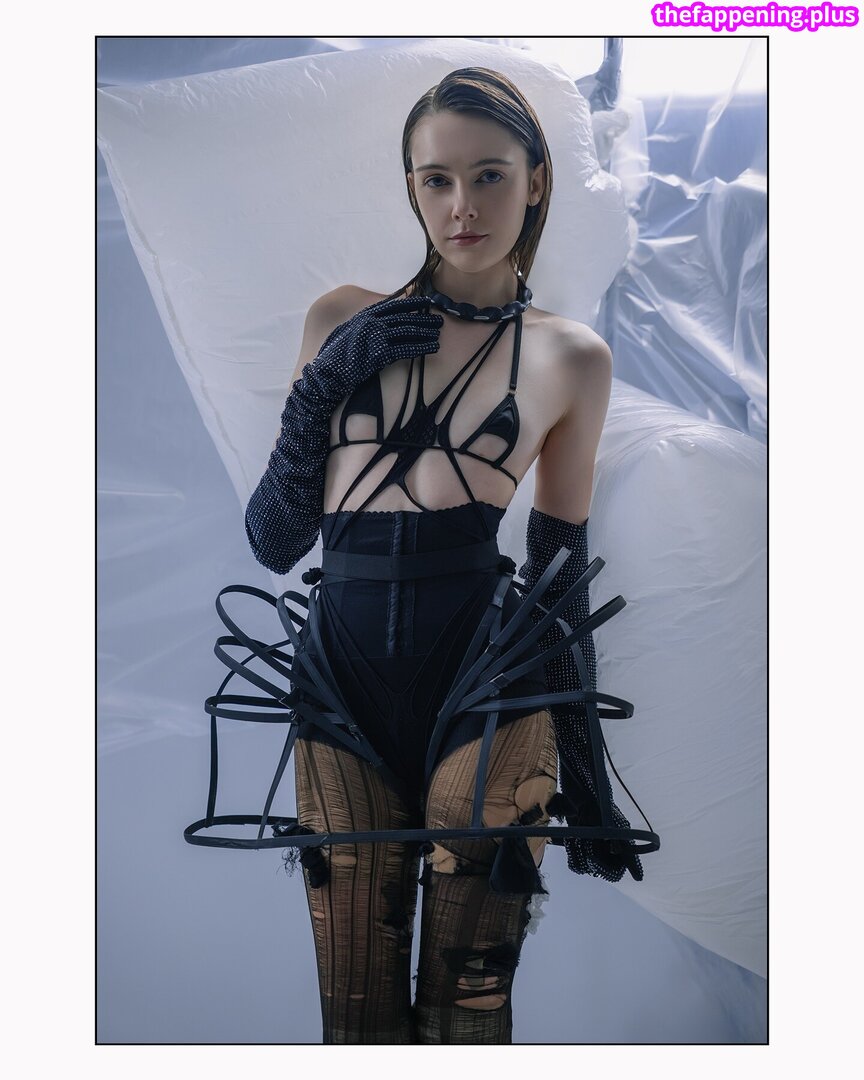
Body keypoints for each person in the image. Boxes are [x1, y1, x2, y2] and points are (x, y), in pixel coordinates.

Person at [242, 67, 648, 1045]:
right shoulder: (340, 319)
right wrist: (326, 382)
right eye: (437, 180)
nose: (462, 205)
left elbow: (557, 569)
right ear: (413, 188)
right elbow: (274, 541)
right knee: (356, 1015)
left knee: (469, 1008)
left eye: (490, 176)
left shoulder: (572, 358)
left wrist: (586, 774)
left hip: (491, 681)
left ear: (537, 181)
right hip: (340, 682)